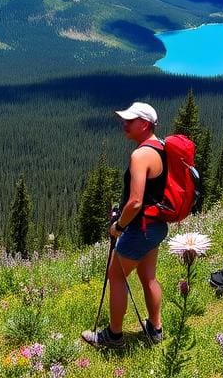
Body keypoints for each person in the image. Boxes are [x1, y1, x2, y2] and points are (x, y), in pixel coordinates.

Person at [82, 101, 166, 348]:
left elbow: (136, 201)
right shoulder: (160, 147)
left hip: (140, 228)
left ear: (145, 124)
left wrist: (118, 226)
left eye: (130, 121)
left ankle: (114, 336)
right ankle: (155, 329)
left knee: (115, 275)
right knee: (148, 276)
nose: (124, 125)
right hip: (156, 225)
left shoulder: (140, 155)